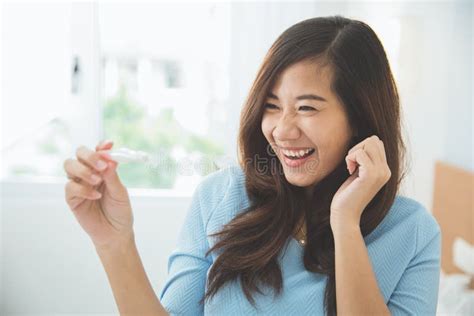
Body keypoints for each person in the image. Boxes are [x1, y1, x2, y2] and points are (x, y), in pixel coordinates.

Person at [63, 15, 441, 315]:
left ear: (360, 118)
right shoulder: (218, 195)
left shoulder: (413, 233)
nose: (282, 130)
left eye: (307, 107)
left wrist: (346, 222)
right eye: (272, 106)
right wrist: (113, 241)